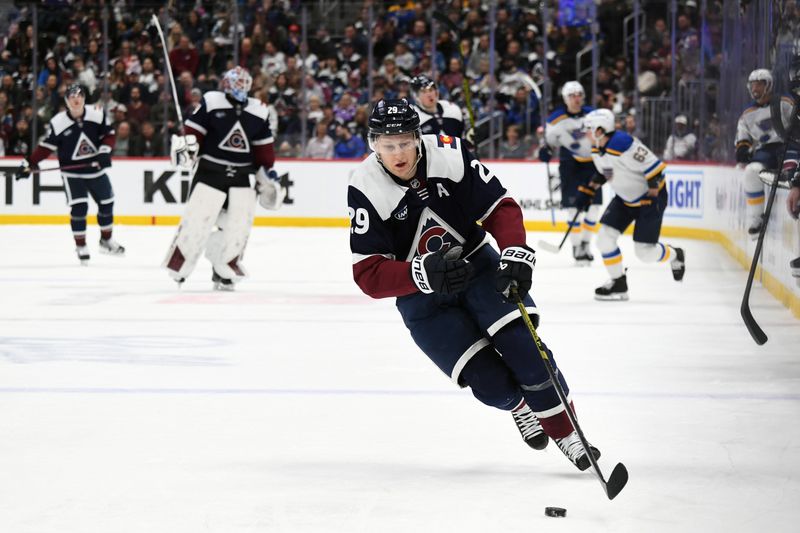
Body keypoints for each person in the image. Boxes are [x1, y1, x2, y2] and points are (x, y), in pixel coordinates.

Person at [347, 98, 603, 471]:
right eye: (388, 145)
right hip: (422, 298)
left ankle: (567, 434)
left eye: (404, 141)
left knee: (528, 353)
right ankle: (518, 406)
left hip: (478, 266)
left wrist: (514, 250)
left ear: (418, 137)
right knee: (491, 384)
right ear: (374, 146)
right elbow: (368, 274)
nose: (398, 152)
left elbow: (500, 206)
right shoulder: (365, 187)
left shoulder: (449, 155)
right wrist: (419, 274)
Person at [163, 66, 284, 290]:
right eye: (236, 83)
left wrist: (268, 173)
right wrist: (188, 146)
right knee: (198, 221)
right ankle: (180, 266)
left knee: (237, 226)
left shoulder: (259, 110)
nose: (240, 88)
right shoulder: (212, 101)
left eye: (243, 83)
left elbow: (263, 150)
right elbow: (193, 133)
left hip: (242, 176)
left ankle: (225, 269)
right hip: (210, 172)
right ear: (226, 84)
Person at [579, 108, 685, 300]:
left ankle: (675, 254)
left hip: (650, 199)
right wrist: (590, 188)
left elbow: (655, 168)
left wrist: (651, 196)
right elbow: (607, 171)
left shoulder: (622, 143)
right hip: (624, 199)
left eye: (589, 128)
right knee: (604, 238)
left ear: (600, 130)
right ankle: (619, 283)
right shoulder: (596, 148)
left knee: (645, 253)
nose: (585, 132)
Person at [17, 84, 125, 265]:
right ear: (67, 101)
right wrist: (30, 162)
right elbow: (47, 147)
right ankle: (81, 245)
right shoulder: (58, 122)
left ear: (84, 99)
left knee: (107, 203)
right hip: (72, 173)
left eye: (80, 96)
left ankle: (106, 241)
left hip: (95, 169)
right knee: (80, 208)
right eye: (72, 97)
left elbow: (109, 134)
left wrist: (104, 152)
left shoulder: (97, 114)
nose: (76, 99)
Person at [538, 81, 599, 265]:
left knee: (594, 209)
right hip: (570, 165)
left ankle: (586, 244)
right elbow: (549, 143)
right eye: (572, 95)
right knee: (573, 209)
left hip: (593, 165)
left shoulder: (593, 114)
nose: (576, 98)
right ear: (565, 98)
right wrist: (545, 151)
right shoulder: (555, 119)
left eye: (579, 94)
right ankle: (576, 247)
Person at [735, 69, 794, 238]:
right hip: (766, 151)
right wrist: (742, 148)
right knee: (752, 171)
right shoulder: (747, 114)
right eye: (752, 85)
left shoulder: (785, 103)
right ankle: (756, 218)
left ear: (768, 85)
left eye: (759, 84)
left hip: (788, 147)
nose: (755, 88)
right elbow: (742, 136)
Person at [409, 75, 471, 143]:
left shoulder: (452, 108)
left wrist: (469, 137)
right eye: (424, 92)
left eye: (431, 90)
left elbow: (464, 135)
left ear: (436, 92)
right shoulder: (413, 120)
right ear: (416, 97)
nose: (429, 94)